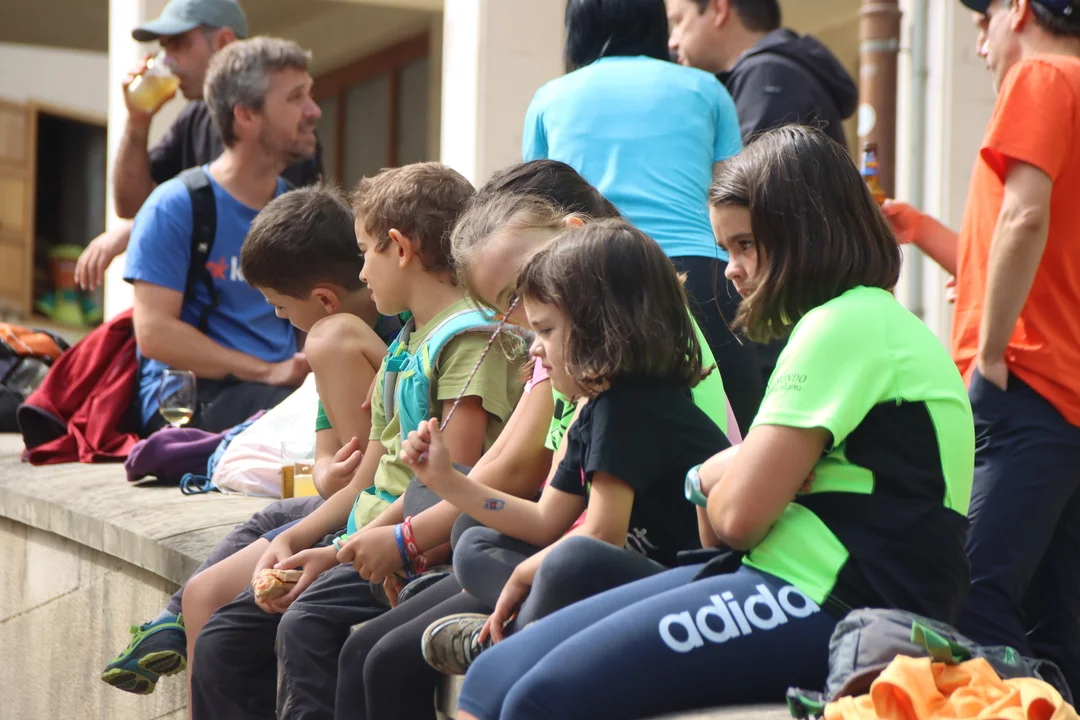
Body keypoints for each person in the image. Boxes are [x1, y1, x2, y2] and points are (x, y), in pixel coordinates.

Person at [453, 125, 975, 720]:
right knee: (492, 675)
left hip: (839, 601)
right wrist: (725, 473)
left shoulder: (845, 325)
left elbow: (736, 520)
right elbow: (718, 535)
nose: (730, 269)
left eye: (746, 245)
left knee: (537, 698)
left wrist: (708, 476)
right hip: (775, 579)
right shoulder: (842, 325)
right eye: (727, 248)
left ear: (809, 234)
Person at [334, 161, 741, 720]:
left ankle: (511, 632)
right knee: (471, 537)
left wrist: (525, 570)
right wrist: (445, 480)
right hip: (613, 568)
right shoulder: (593, 405)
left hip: (677, 582)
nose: (531, 344)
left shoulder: (630, 406)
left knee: (566, 565)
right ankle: (511, 623)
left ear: (601, 326)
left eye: (543, 328)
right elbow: (547, 518)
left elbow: (598, 537)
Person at [188, 162, 526, 720]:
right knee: (225, 638)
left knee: (306, 625)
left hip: (406, 548)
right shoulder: (408, 341)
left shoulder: (467, 341)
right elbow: (374, 475)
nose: (361, 270)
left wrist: (358, 548)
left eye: (366, 251)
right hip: (365, 537)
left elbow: (445, 484)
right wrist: (304, 539)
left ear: (400, 248)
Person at [100, 185, 391, 695]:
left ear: (324, 299)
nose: (279, 318)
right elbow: (330, 453)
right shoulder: (336, 336)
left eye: (279, 307)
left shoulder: (341, 337)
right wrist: (326, 470)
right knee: (233, 558)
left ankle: (174, 616)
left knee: (217, 608)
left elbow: (372, 483)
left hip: (363, 516)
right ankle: (172, 615)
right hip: (340, 501)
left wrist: (327, 496)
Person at [885, 0, 1080, 696]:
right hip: (1063, 399)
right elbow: (1017, 251)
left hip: (1023, 385)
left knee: (966, 594)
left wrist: (991, 353)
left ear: (1018, 9)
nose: (979, 47)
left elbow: (1023, 220)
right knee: (1056, 618)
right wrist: (919, 229)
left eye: (980, 23)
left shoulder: (1043, 77)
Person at [523, 0, 762, 435]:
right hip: (704, 277)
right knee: (741, 430)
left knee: (598, 433)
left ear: (578, 28)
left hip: (596, 276)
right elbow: (733, 193)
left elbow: (536, 204)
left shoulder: (550, 98)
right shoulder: (706, 89)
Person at [124, 37, 319, 437]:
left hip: (277, 390)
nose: (313, 110)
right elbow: (154, 333)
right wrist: (267, 371)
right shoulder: (176, 205)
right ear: (245, 115)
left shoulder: (297, 210)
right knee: (307, 427)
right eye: (296, 97)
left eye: (309, 95)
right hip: (189, 400)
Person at [666, 0, 858, 387]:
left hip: (791, 308)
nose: (672, 40)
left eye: (679, 21)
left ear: (719, 9)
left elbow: (754, 205)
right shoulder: (773, 75)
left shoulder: (768, 78)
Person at [75, 0, 323, 292]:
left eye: (179, 44)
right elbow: (130, 205)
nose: (167, 61)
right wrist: (137, 121)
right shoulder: (195, 115)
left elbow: (254, 224)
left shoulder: (283, 134)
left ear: (224, 42)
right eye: (164, 48)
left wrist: (134, 229)